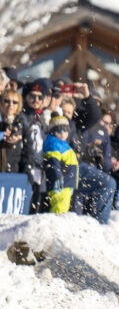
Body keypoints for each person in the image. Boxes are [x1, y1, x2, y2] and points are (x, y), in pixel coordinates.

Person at [19, 80, 50, 212]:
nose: (36, 100)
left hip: (40, 168)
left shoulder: (43, 118)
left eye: (40, 97)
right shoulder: (21, 116)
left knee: (37, 206)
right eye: (32, 96)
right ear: (25, 97)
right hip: (26, 165)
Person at [42, 115, 79, 214]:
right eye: (58, 131)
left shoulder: (63, 144)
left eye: (65, 130)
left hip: (67, 183)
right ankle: (55, 224)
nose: (63, 133)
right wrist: (57, 177)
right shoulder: (53, 144)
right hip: (60, 184)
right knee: (59, 207)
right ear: (52, 132)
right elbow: (53, 162)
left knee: (64, 205)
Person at [0, 89, 25, 173]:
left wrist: (26, 173)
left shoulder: (22, 124)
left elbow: (28, 151)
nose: (10, 105)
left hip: (15, 172)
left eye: (15, 102)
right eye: (7, 101)